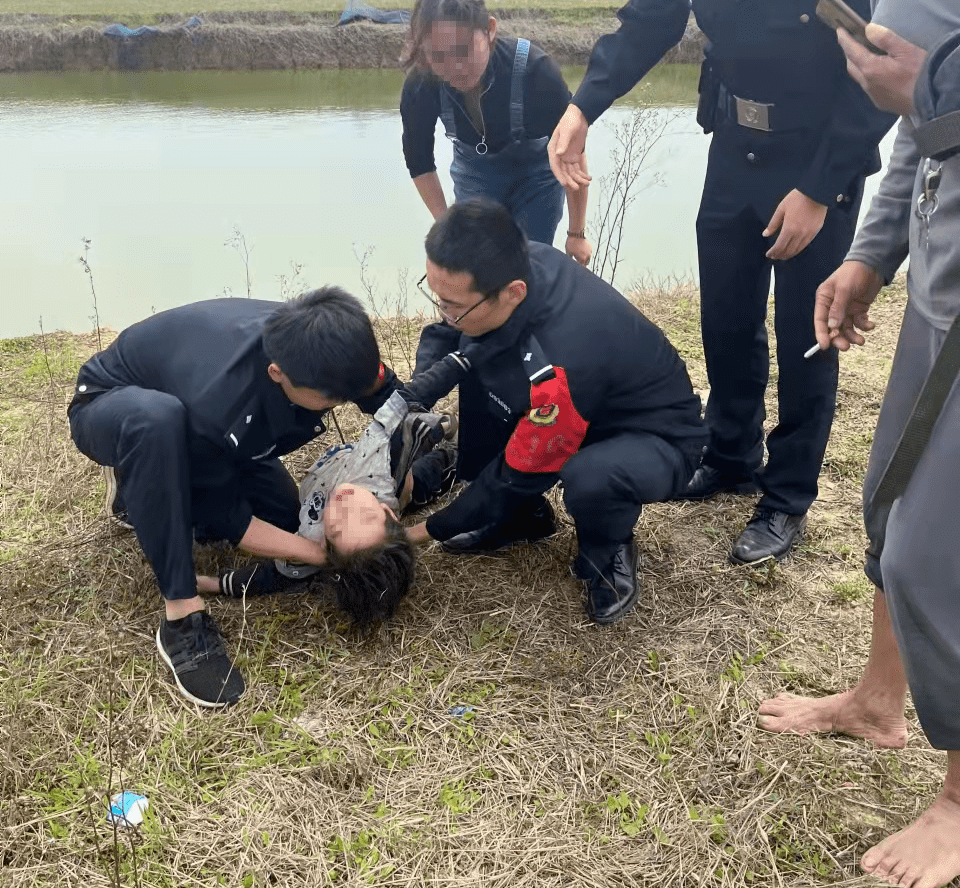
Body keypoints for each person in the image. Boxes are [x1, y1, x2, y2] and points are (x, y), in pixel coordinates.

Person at [547, 0, 895, 565]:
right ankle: (731, 455)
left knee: (808, 331)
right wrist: (581, 106)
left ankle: (787, 496)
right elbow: (650, 19)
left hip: (819, 159)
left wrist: (818, 188)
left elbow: (876, 78)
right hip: (734, 146)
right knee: (726, 316)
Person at [758, 0, 960, 888]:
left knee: (940, 548)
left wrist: (927, 97)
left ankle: (958, 797)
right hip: (936, 273)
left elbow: (925, 102)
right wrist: (870, 252)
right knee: (890, 520)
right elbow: (914, 129)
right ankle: (880, 700)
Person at [69, 288, 409, 709]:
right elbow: (233, 519)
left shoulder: (332, 341)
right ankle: (181, 617)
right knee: (157, 424)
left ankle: (150, 487)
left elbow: (386, 397)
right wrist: (322, 555)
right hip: (112, 402)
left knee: (288, 519)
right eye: (331, 399)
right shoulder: (218, 401)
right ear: (277, 372)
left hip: (212, 419)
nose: (340, 404)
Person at [404, 199, 707, 625]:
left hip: (656, 435)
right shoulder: (521, 262)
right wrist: (411, 398)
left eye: (453, 304)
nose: (444, 313)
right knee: (477, 360)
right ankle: (520, 519)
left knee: (589, 476)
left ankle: (608, 549)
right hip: (585, 406)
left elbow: (520, 469)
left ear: (513, 293)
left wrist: (421, 532)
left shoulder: (567, 352)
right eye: (437, 296)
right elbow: (445, 333)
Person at [199, 355, 462, 612]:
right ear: (386, 511)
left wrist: (212, 584)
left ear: (324, 547)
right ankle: (451, 450)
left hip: (343, 472)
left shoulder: (312, 541)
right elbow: (408, 400)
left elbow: (273, 577)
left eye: (336, 527)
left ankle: (447, 453)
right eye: (364, 515)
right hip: (390, 478)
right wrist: (463, 361)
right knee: (421, 474)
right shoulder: (381, 467)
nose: (345, 503)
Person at [400, 0, 592, 263]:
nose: (455, 68)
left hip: (537, 177)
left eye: (462, 51)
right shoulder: (421, 84)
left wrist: (576, 234)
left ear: (489, 30)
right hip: (474, 176)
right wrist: (446, 224)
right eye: (438, 56)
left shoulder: (536, 73)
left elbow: (573, 156)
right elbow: (419, 162)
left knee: (530, 263)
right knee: (477, 266)